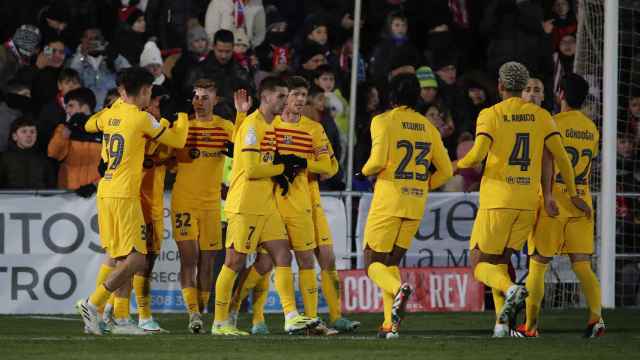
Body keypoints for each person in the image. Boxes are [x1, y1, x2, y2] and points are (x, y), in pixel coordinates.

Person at [454, 62, 589, 337]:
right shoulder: (541, 116)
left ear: (501, 86)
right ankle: (502, 324)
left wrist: (456, 164)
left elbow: (478, 154)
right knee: (502, 262)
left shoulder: (490, 114)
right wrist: (573, 194)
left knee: (480, 264)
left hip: (498, 201)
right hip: (527, 203)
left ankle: (512, 289)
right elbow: (561, 158)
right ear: (522, 85)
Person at [76, 67, 188, 336]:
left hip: (106, 191)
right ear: (142, 91)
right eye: (148, 91)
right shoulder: (141, 119)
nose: (150, 96)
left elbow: (90, 124)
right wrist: (182, 115)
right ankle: (94, 303)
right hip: (126, 194)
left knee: (121, 256)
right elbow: (178, 139)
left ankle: (122, 320)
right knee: (138, 259)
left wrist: (111, 108)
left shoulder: (111, 113)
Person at [212, 76, 319, 336]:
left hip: (266, 204)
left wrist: (282, 168)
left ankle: (291, 316)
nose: (286, 101)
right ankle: (219, 322)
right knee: (234, 262)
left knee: (283, 255)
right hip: (245, 204)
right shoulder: (253, 126)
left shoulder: (270, 127)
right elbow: (251, 169)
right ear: (267, 97)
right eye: (281, 96)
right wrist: (283, 168)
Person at [360, 73, 453, 339]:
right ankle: (390, 324)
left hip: (389, 200)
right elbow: (446, 171)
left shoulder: (383, 120)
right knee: (390, 262)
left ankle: (399, 289)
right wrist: (423, 186)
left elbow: (377, 162)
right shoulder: (428, 127)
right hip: (415, 203)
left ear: (391, 95)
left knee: (372, 263)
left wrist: (362, 171)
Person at [517, 74, 604, 338]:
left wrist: (548, 195)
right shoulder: (591, 128)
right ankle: (596, 319)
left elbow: (546, 161)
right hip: (582, 203)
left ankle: (530, 326)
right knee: (582, 264)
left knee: (538, 264)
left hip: (553, 201)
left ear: (560, 94)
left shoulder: (551, 123)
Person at [171, 78, 235, 333]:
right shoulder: (183, 125)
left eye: (204, 97)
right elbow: (171, 154)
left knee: (208, 262)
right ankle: (193, 314)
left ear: (215, 100)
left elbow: (242, 153)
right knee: (189, 258)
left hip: (211, 203)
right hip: (184, 200)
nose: (199, 102)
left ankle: (202, 309)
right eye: (196, 97)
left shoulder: (226, 127)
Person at [47, 87, 102, 194]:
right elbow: (53, 154)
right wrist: (66, 131)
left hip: (95, 195)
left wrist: (96, 185)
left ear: (85, 107)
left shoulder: (105, 130)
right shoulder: (63, 128)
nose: (67, 110)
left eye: (71, 106)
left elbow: (113, 167)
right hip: (68, 194)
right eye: (66, 106)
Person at [0, 116, 54, 189]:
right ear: (14, 136)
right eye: (24, 131)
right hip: (11, 199)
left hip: (38, 200)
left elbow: (51, 188)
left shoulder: (44, 160)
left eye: (32, 132)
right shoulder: (3, 159)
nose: (29, 135)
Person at [68, 28, 117, 110]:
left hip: (109, 109)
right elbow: (71, 77)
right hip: (85, 110)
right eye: (89, 39)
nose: (93, 42)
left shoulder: (112, 58)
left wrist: (114, 56)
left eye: (96, 39)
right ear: (82, 40)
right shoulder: (73, 60)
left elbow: (127, 76)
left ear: (103, 40)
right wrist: (81, 55)